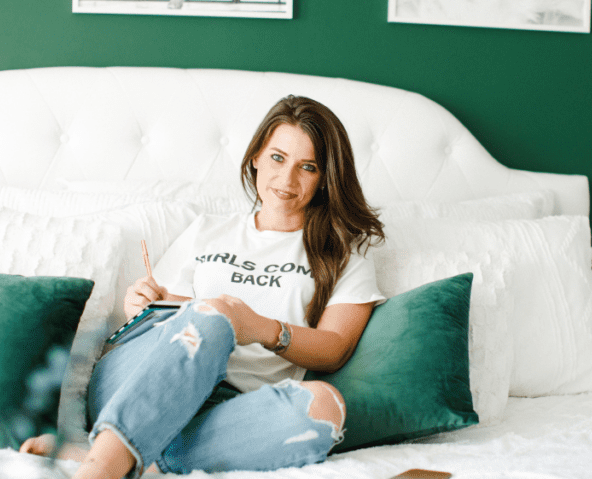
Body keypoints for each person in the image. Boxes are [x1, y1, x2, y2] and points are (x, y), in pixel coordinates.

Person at [20, 95, 386, 478]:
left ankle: (107, 452)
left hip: (236, 406)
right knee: (214, 316)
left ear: (324, 178)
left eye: (307, 167)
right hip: (137, 382)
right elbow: (166, 312)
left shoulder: (344, 254)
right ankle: (102, 468)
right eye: (277, 158)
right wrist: (143, 303)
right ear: (257, 156)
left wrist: (256, 327)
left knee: (326, 408)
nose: (287, 179)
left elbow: (334, 348)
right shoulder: (208, 231)